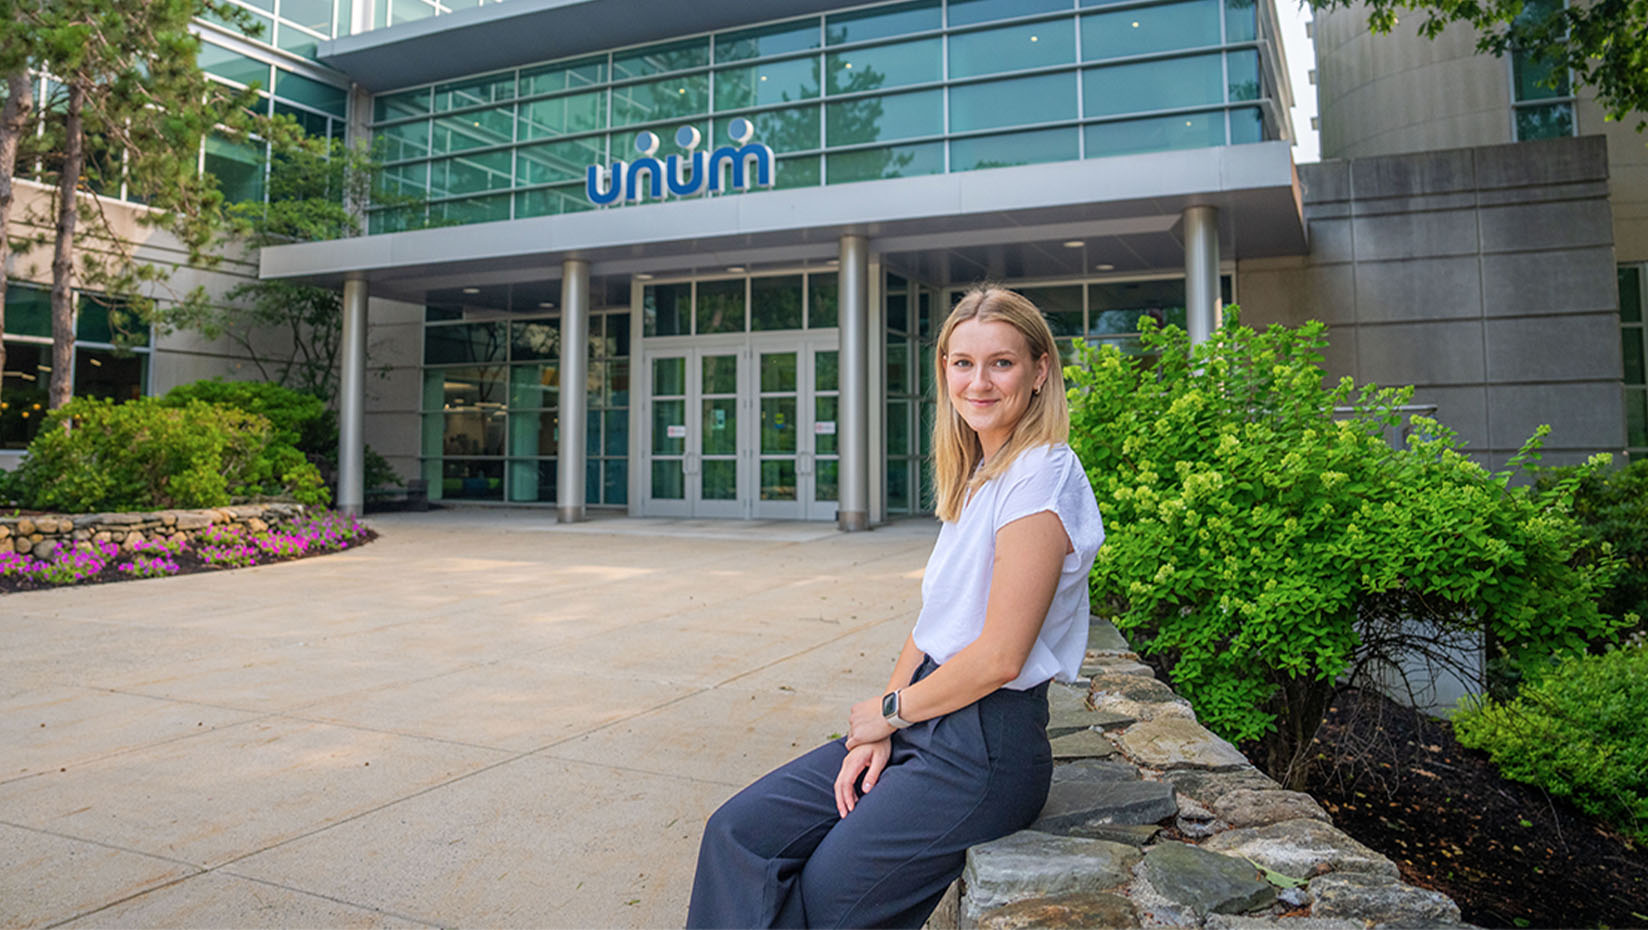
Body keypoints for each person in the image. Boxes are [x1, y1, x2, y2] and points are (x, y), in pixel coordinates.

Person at [685, 286, 1105, 930]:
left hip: (982, 749)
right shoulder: (980, 473)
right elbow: (933, 627)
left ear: (1040, 370)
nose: (978, 382)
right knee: (739, 835)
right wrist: (876, 730)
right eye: (962, 363)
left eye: (1001, 363)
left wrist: (891, 712)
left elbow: (1000, 656)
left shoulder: (1043, 474)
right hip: (926, 713)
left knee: (824, 900)